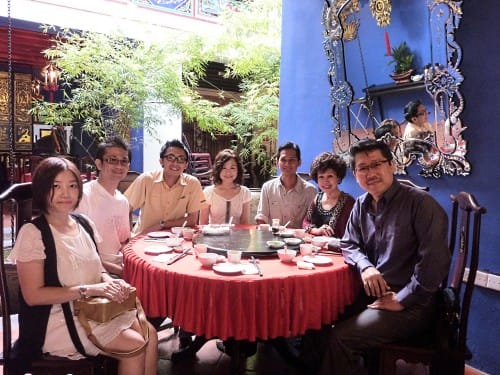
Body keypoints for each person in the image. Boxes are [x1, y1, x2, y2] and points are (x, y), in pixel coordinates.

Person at [309, 139, 451, 374]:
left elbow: (434, 265)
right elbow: (349, 243)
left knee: (340, 337)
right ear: (355, 174)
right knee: (317, 320)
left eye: (377, 164)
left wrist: (401, 299)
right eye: (363, 167)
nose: (371, 172)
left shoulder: (420, 204)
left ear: (391, 166)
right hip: (373, 293)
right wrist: (366, 267)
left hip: (413, 304)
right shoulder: (362, 204)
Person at [8, 157, 158, 375]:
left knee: (150, 335)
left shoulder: (84, 224)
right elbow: (33, 296)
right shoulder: (34, 234)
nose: (65, 193)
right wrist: (92, 289)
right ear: (42, 190)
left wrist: (109, 282)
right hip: (55, 319)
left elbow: (99, 269)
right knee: (134, 344)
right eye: (55, 186)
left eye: (72, 186)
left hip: (92, 308)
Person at [75, 136, 131, 276]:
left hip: (119, 264)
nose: (119, 166)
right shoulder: (83, 196)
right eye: (112, 160)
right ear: (99, 164)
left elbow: (123, 241)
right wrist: (122, 272)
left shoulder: (122, 201)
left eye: (124, 161)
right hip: (91, 269)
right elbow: (79, 249)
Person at [124, 139, 206, 236]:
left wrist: (163, 225)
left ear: (186, 165)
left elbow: (192, 219)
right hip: (144, 236)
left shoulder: (192, 184)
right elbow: (125, 209)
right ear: (161, 161)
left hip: (175, 238)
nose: (175, 163)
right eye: (170, 158)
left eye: (181, 159)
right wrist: (127, 236)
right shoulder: (146, 180)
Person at [255, 141, 316, 228]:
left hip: (298, 240)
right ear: (277, 162)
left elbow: (311, 222)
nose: (287, 164)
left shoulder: (310, 191)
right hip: (272, 239)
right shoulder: (267, 188)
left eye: (292, 160)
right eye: (283, 160)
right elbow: (262, 217)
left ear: (299, 162)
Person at [302, 152, 354, 238]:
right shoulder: (317, 198)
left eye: (330, 176)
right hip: (314, 248)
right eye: (321, 177)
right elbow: (306, 222)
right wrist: (317, 231)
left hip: (337, 250)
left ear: (338, 178)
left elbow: (351, 236)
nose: (325, 181)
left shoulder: (349, 203)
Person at [199, 149, 251, 225]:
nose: (228, 172)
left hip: (238, 236)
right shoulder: (208, 192)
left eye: (232, 168)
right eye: (224, 168)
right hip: (213, 235)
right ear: (218, 169)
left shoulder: (244, 192)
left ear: (238, 170)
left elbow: (244, 223)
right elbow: (203, 224)